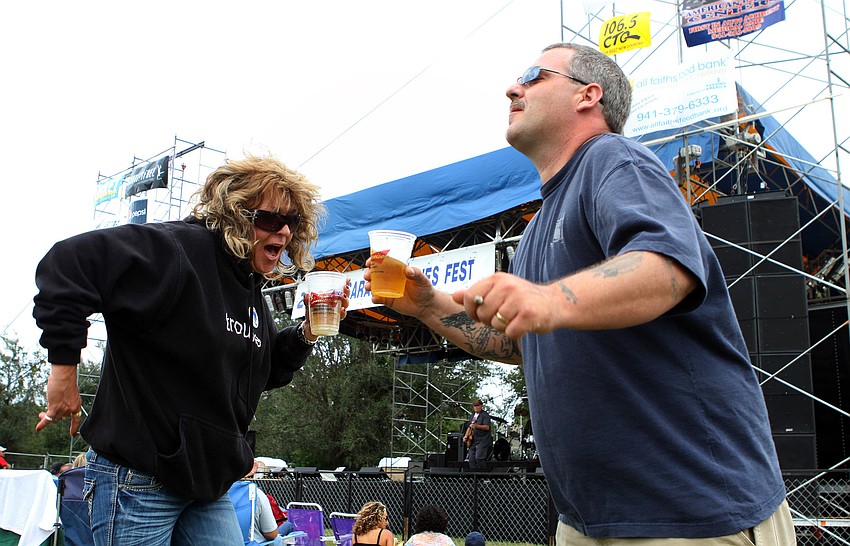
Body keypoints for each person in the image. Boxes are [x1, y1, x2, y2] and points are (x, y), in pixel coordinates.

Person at [364, 43, 794, 543]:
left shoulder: (615, 160)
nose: (511, 88)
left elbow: (668, 270)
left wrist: (549, 300)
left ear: (588, 95)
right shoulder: (540, 223)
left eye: (533, 75)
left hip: (687, 514)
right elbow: (522, 345)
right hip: (586, 521)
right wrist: (429, 306)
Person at [32, 154, 350, 546]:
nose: (283, 232)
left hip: (206, 485)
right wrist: (63, 369)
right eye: (270, 218)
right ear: (234, 213)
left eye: (292, 222)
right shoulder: (177, 249)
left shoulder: (249, 286)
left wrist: (306, 332)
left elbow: (263, 372)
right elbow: (69, 263)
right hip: (139, 477)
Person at [461, 399, 492, 472]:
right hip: (473, 440)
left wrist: (477, 426)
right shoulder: (473, 416)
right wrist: (466, 436)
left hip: (483, 440)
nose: (476, 407)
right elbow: (470, 426)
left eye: (477, 406)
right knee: (471, 459)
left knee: (479, 458)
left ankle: (484, 475)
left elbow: (487, 427)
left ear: (481, 406)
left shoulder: (485, 415)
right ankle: (474, 476)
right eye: (474, 406)